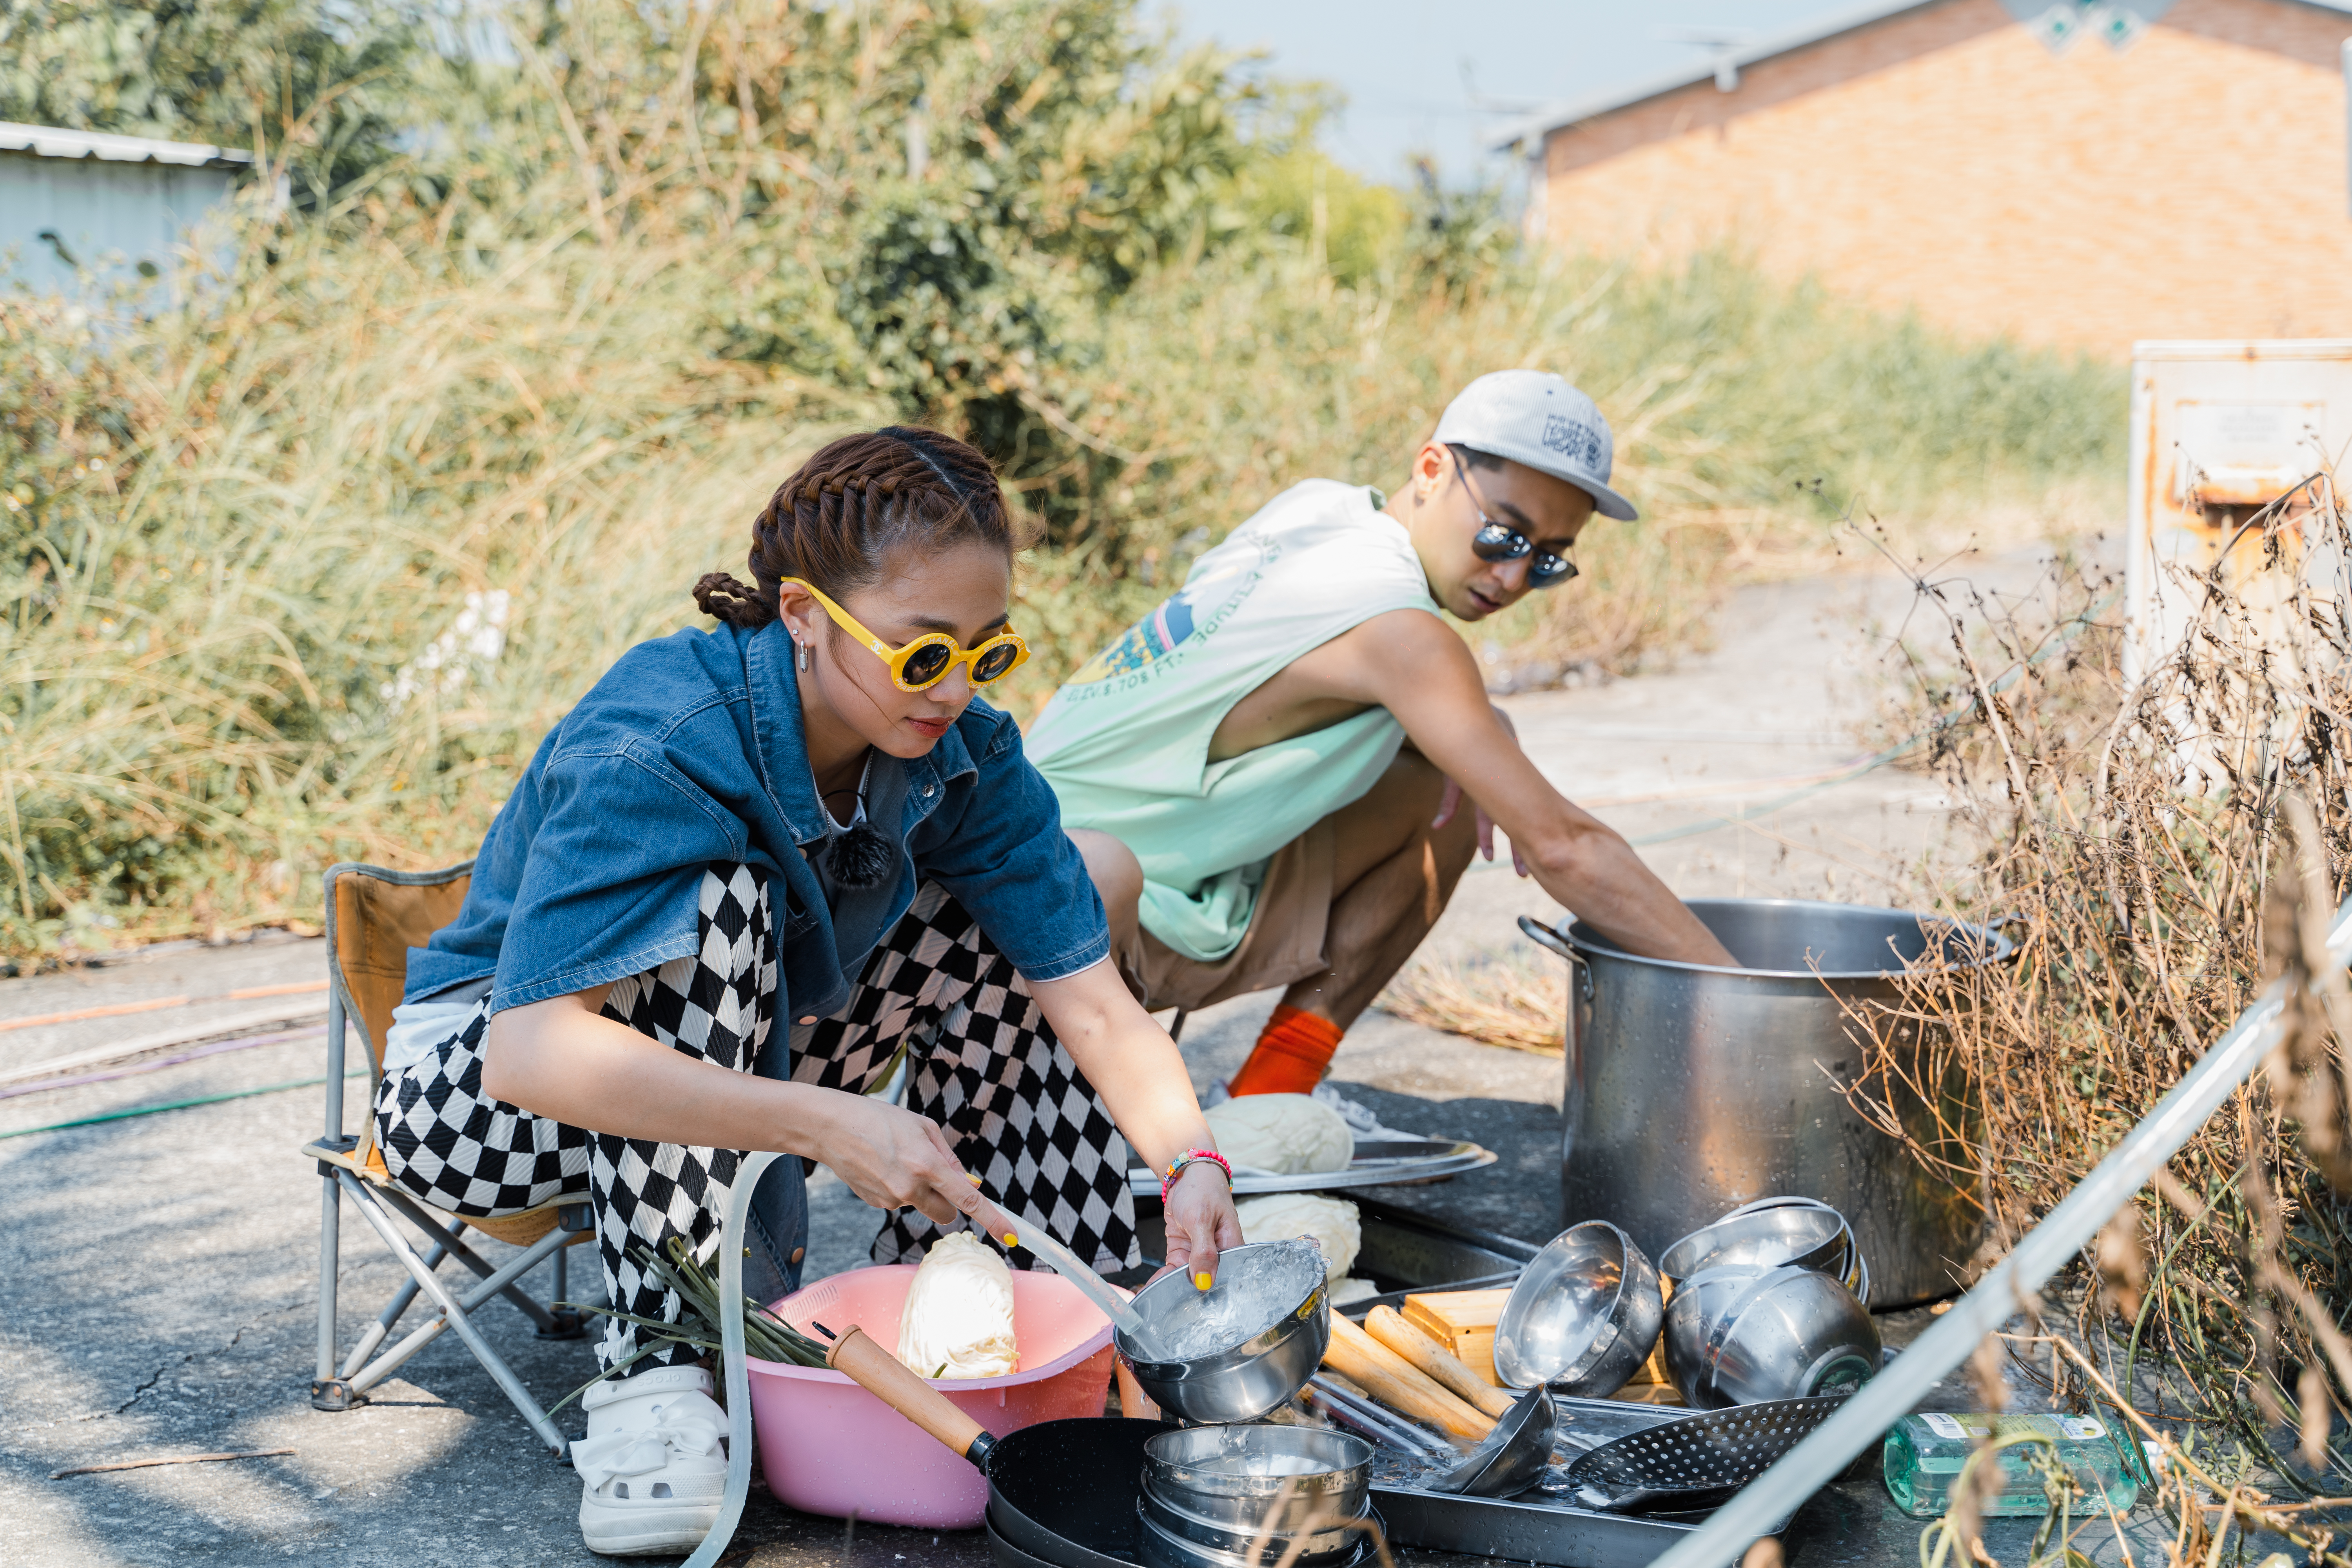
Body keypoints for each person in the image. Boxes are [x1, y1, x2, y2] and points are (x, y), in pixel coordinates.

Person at [370, 429, 1242, 1557]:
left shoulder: (964, 750)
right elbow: (531, 1055)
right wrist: (832, 1123)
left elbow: (1094, 1004)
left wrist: (1193, 1164)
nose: (956, 689)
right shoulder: (663, 737)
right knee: (722, 897)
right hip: (485, 1103)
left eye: (990, 651)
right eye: (921, 654)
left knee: (1010, 916)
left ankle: (1010, 1314)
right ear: (802, 614)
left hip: (757, 1044)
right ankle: (657, 1371)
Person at [1027, 370, 1737, 1102]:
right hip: (1033, 920)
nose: (1515, 573)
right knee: (1462, 783)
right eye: (1503, 533)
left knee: (1446, 794)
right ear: (1431, 469)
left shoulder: (1317, 512)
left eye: (1549, 559)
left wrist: (1492, 726)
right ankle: (1040, 1115)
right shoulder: (1401, 635)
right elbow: (1566, 847)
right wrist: (1748, 996)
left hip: (1122, 878)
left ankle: (1271, 1100)